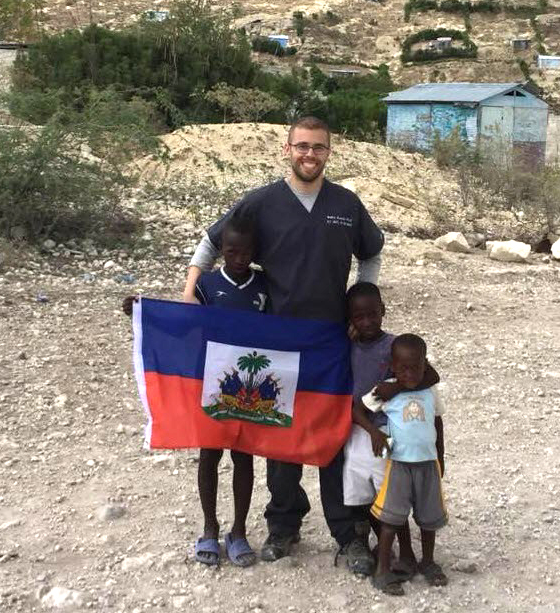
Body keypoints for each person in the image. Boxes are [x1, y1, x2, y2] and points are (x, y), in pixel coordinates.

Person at [183, 116, 385, 573]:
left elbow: (371, 250)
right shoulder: (261, 202)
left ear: (329, 152)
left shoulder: (346, 204)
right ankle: (283, 525)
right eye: (302, 146)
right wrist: (189, 293)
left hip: (331, 339)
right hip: (274, 341)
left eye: (318, 147)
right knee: (278, 433)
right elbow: (211, 241)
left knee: (333, 433)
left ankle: (346, 531)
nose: (309, 155)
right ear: (286, 148)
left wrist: (363, 296)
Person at [124, 210, 269, 568]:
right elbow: (186, 323)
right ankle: (209, 527)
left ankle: (238, 531)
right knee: (209, 454)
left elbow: (280, 334)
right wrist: (143, 312)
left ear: (255, 251)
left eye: (245, 252)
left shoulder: (265, 287)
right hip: (212, 383)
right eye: (231, 252)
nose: (238, 259)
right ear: (221, 250)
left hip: (250, 387)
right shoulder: (206, 284)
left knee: (244, 455)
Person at [343, 282, 440, 578]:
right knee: (363, 494)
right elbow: (354, 406)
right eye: (359, 317)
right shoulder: (347, 345)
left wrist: (395, 386)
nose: (367, 322)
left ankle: (407, 553)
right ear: (350, 319)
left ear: (383, 311)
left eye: (373, 314)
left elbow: (431, 374)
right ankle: (371, 546)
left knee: (391, 495)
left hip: (390, 433)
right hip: (358, 431)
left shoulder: (395, 345)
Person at [357, 334, 448, 596]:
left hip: (428, 464)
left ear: (425, 365)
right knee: (391, 518)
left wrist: (441, 456)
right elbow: (357, 410)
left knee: (429, 518)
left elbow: (437, 422)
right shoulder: (384, 390)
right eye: (403, 368)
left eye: (416, 367)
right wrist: (375, 434)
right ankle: (382, 570)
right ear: (392, 366)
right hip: (399, 465)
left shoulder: (429, 390)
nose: (410, 373)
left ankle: (428, 562)